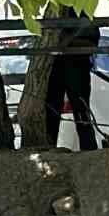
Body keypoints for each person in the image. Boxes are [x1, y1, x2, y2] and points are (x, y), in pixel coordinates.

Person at [44, 17, 102, 151]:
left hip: (76, 66)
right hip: (60, 67)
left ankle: (89, 151)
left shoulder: (81, 13)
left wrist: (66, 42)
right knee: (52, 111)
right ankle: (50, 148)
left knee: (81, 112)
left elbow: (91, 43)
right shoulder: (59, 12)